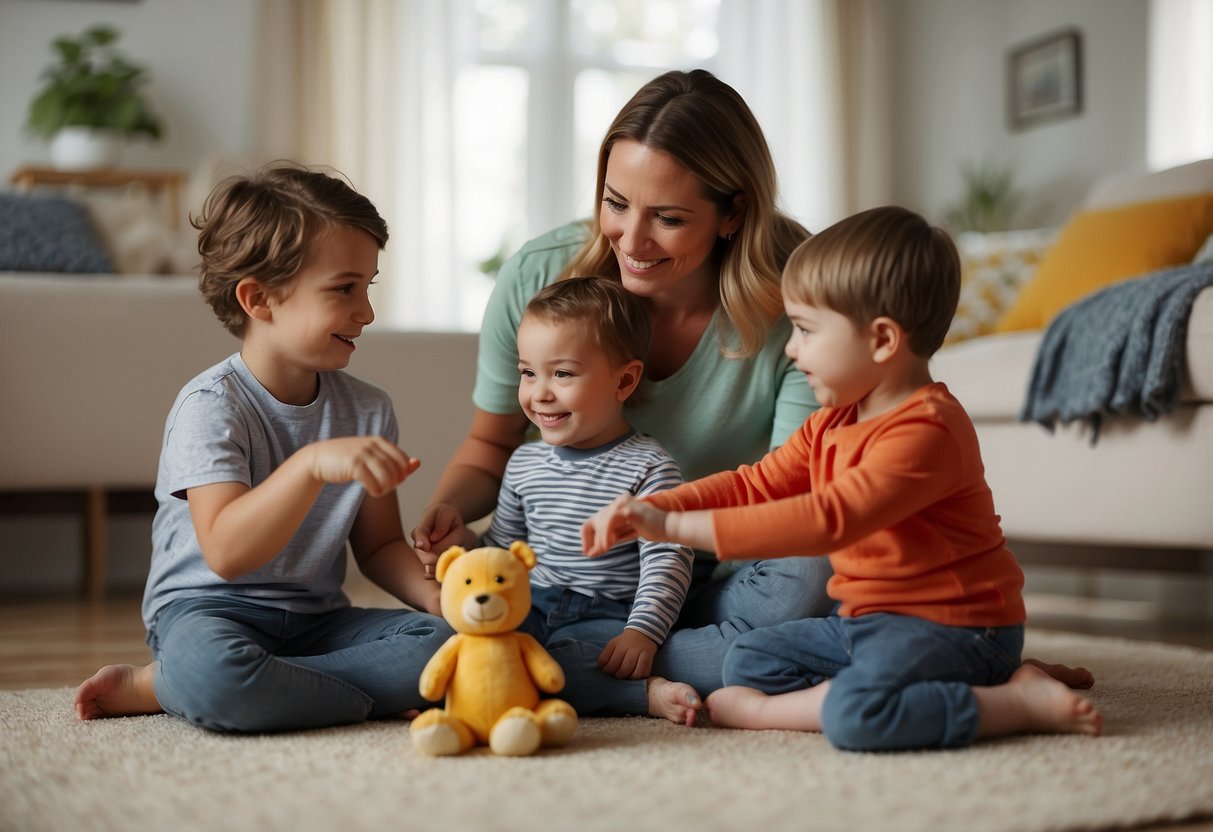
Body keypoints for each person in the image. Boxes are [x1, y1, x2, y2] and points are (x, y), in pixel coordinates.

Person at [582, 206, 1102, 750]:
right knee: (746, 659)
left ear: (880, 340)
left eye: (805, 330)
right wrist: (659, 508)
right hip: (869, 623)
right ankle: (976, 680)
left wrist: (680, 532)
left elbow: (828, 519)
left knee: (860, 717)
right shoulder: (832, 421)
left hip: (959, 626)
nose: (790, 347)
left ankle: (1011, 701)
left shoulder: (927, 432)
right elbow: (753, 484)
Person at [412, 69, 835, 720]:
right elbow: (491, 445)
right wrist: (446, 515)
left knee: (813, 567)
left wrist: (662, 543)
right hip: (567, 584)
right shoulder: (537, 275)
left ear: (735, 213)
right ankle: (728, 665)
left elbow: (792, 492)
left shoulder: (796, 294)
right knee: (460, 606)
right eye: (615, 203)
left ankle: (585, 663)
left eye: (666, 218)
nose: (631, 242)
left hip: (718, 575)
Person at [73, 164, 451, 733]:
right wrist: (309, 466)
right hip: (206, 615)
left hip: (317, 623)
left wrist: (437, 598)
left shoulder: (369, 408)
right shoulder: (210, 406)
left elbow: (379, 548)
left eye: (368, 287)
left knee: (446, 644)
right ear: (259, 299)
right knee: (219, 673)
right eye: (344, 288)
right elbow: (226, 551)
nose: (367, 311)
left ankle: (285, 685)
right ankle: (158, 681)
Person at [429, 276, 700, 723]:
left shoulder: (649, 468)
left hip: (605, 614)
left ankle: (642, 695)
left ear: (625, 380)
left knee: (564, 664)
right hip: (530, 602)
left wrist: (642, 634)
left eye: (563, 373)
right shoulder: (524, 463)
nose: (540, 393)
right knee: (462, 643)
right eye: (528, 372)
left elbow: (667, 562)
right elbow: (506, 552)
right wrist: (464, 545)